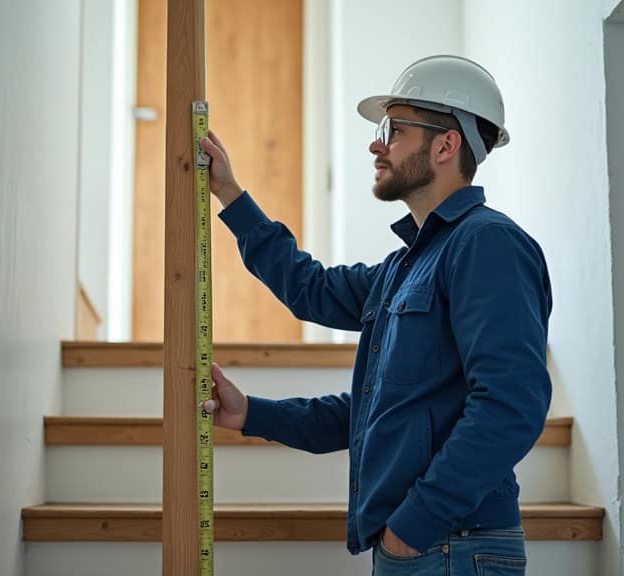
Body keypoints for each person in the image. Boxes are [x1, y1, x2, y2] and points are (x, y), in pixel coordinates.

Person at [199, 55, 552, 576]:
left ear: (445, 146)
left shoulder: (487, 244)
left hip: (451, 544)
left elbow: (511, 404)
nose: (376, 143)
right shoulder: (402, 269)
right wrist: (252, 413)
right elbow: (312, 292)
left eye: (394, 128)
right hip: (427, 546)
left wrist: (414, 526)